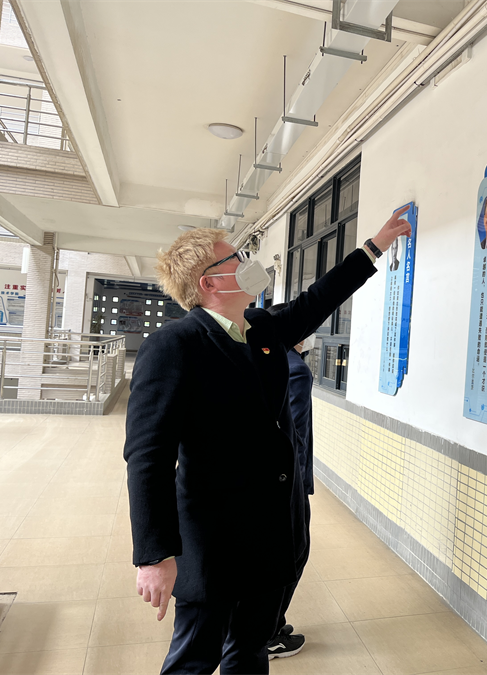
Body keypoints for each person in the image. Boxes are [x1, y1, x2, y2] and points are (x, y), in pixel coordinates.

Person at [124, 205, 411, 675]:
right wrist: (154, 555)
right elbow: (147, 457)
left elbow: (316, 301)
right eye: (235, 259)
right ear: (209, 283)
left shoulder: (259, 328)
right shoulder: (173, 346)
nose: (247, 264)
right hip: (213, 540)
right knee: (194, 659)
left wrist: (373, 248)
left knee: (250, 651)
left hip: (271, 533)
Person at [262, 304, 315, 659]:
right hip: (287, 482)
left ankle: (268, 624)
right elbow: (291, 436)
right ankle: (269, 632)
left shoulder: (265, 359)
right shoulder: (294, 369)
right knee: (294, 554)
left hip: (271, 479)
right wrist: (295, 486)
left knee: (279, 555)